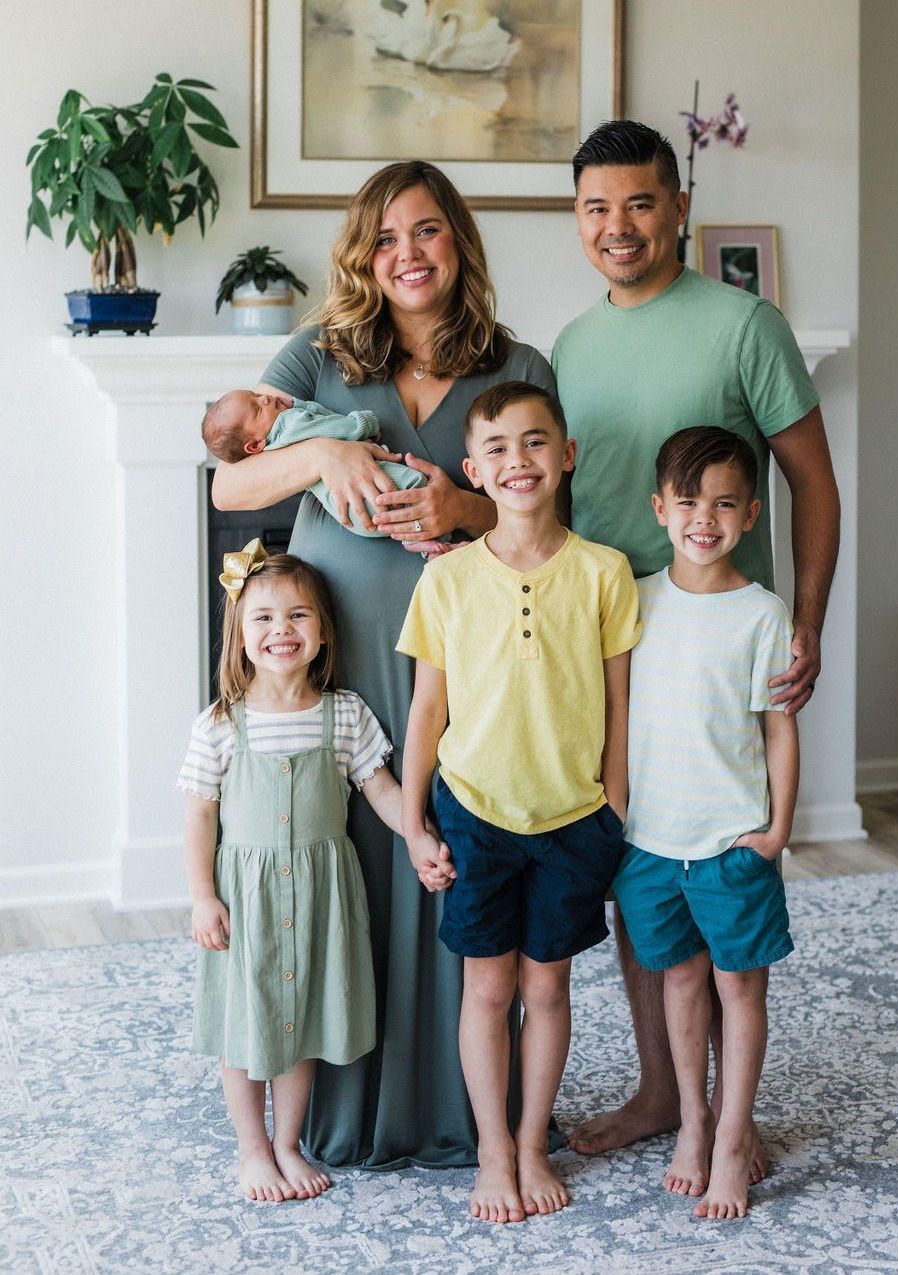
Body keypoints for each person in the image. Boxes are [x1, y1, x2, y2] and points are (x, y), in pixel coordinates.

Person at [210, 161, 556, 1170]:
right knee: (344, 868)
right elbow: (233, 480)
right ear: (362, 255)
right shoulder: (318, 356)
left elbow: (549, 512)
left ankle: (464, 1109)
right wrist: (322, 460)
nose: (408, 254)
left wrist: (468, 511)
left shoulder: (517, 361)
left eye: (429, 231)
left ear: (460, 243)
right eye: (386, 237)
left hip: (476, 663)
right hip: (343, 669)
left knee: (458, 858)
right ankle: (328, 1110)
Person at [551, 119, 840, 1161]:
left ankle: (732, 1114)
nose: (616, 226)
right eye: (594, 207)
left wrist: (805, 618)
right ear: (576, 220)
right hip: (616, 646)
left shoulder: (741, 323)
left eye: (637, 202)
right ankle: (663, 1091)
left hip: (723, 644)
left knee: (723, 872)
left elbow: (810, 480)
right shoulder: (572, 346)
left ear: (677, 207)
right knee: (644, 875)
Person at [398, 381, 641, 1223]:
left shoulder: (605, 573)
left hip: (573, 819)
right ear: (473, 470)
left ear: (566, 456)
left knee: (549, 990)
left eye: (536, 442)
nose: (518, 460)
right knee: (487, 991)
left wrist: (613, 807)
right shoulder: (449, 579)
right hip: (474, 811)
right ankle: (494, 1152)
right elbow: (428, 709)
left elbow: (618, 704)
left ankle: (535, 1142)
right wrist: (413, 819)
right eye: (497, 448)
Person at [177, 543, 403, 1201]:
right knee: (246, 1021)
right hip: (245, 900)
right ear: (240, 636)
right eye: (264, 619)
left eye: (298, 615)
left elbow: (381, 788)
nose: (282, 630)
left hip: (320, 895)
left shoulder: (344, 712)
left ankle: (287, 1142)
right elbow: (198, 817)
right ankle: (251, 1147)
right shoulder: (220, 724)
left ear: (324, 629)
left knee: (301, 1019)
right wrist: (201, 897)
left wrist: (417, 836)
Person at [614, 427, 798, 1220]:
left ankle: (732, 1137)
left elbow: (779, 728)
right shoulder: (636, 598)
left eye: (725, 502)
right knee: (679, 980)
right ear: (661, 508)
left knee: (738, 986)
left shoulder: (762, 613)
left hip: (733, 840)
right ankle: (692, 1121)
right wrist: (617, 806)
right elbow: (616, 710)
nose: (705, 518)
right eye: (689, 501)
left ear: (751, 513)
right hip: (649, 839)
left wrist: (778, 826)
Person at [202, 392, 445, 546]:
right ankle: (438, 539)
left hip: (354, 514)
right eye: (257, 409)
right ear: (254, 445)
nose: (264, 399)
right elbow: (331, 428)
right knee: (415, 488)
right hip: (366, 494)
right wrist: (364, 424)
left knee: (407, 520)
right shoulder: (289, 423)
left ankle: (425, 546)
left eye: (256, 395)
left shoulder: (272, 450)